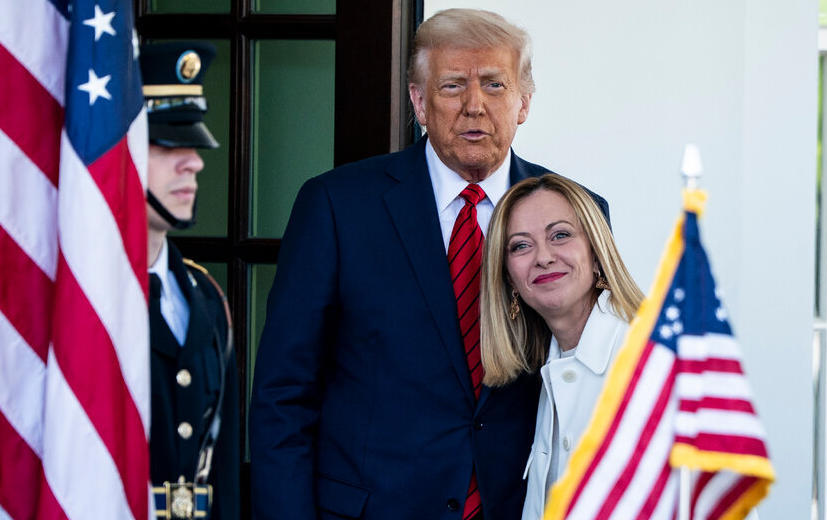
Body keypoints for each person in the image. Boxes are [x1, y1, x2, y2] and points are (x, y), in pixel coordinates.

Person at [249, 8, 607, 520]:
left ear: (524, 102)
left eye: (494, 84)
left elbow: (600, 379)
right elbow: (283, 396)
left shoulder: (577, 216)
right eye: (452, 86)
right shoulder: (336, 207)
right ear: (419, 102)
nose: (474, 105)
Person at [479, 174, 644, 520]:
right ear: (509, 279)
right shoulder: (550, 369)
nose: (543, 257)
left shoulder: (654, 358)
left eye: (560, 235)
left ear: (596, 253)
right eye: (521, 246)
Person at [141, 41, 239, 520]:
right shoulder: (73, 300)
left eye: (194, 146)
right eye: (166, 145)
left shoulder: (205, 296)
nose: (195, 163)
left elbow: (223, 470)